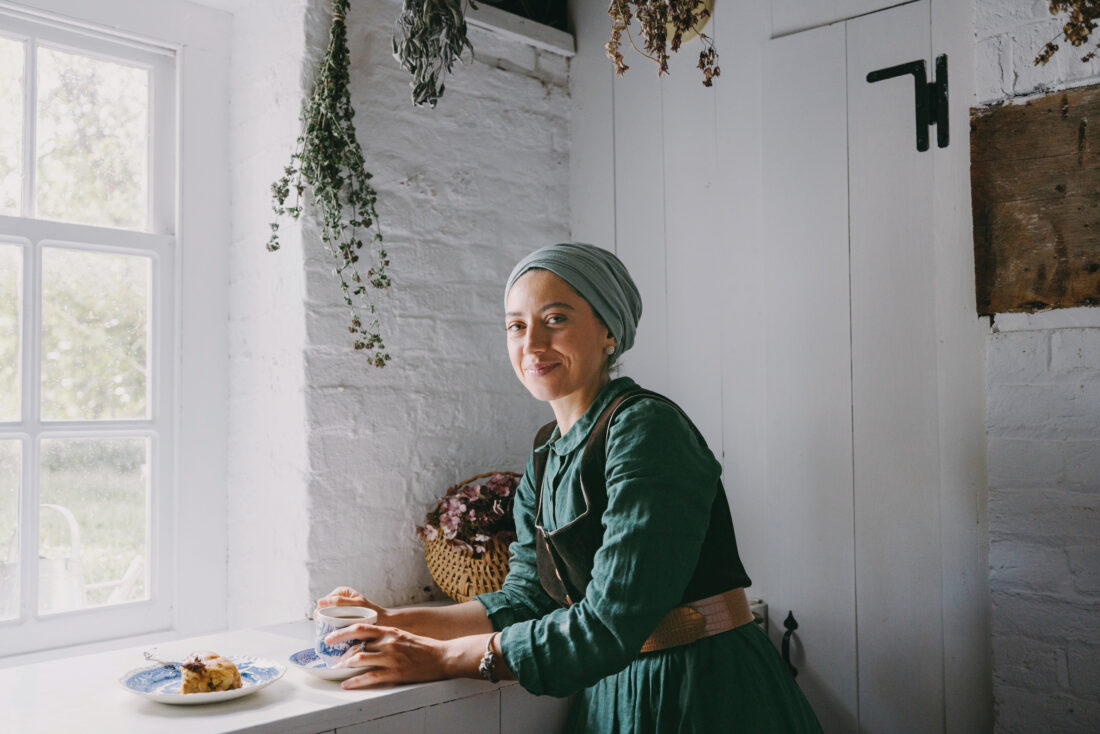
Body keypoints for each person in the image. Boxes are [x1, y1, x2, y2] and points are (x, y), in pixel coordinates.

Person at [318, 242, 822, 732]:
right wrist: (395, 621)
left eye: (555, 320)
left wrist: (446, 658)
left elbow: (611, 620)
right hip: (613, 690)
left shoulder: (647, 429)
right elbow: (527, 599)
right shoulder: (546, 452)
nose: (532, 345)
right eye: (516, 326)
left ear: (609, 331)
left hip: (702, 689)